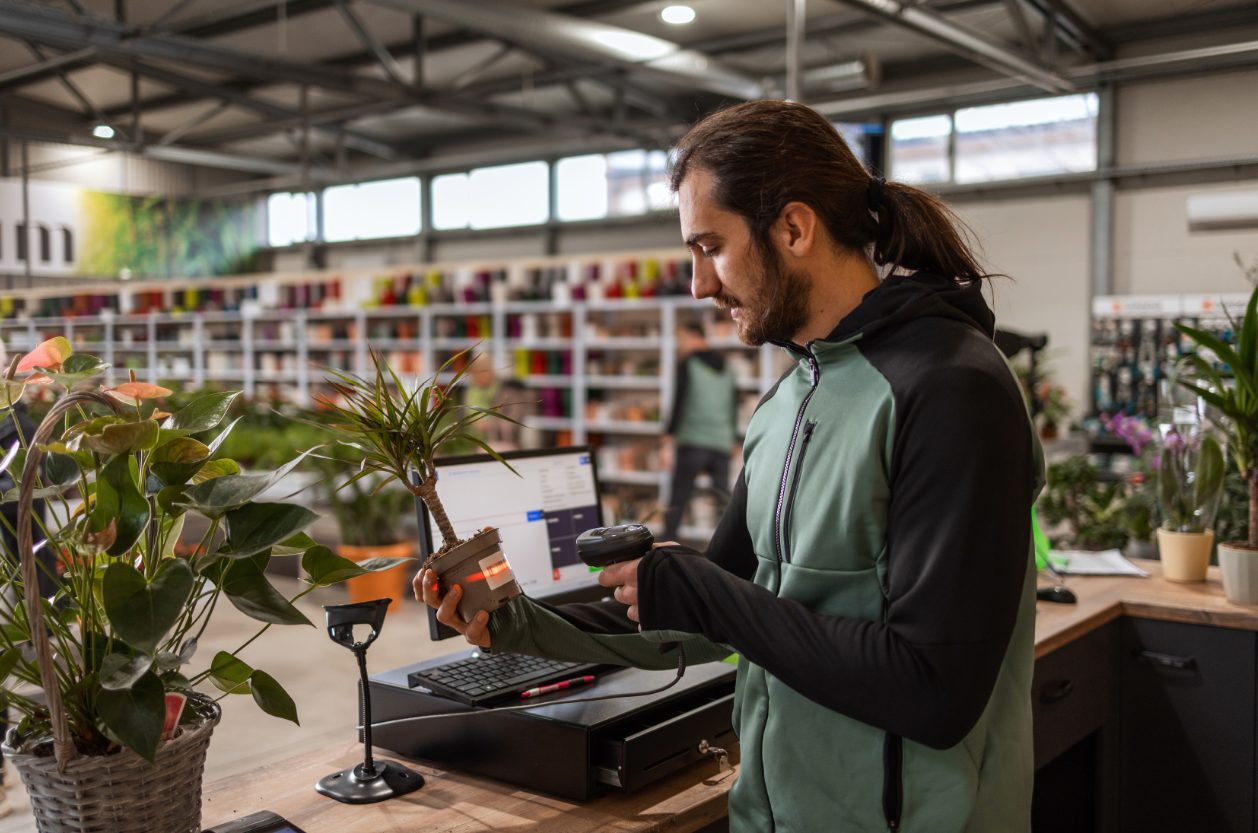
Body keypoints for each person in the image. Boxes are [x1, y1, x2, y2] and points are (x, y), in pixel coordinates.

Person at [419, 100, 1042, 832]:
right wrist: (517, 623)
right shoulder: (788, 401)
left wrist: (708, 593)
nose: (698, 284)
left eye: (710, 247)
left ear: (794, 228)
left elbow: (935, 689)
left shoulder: (951, 388)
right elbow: (709, 623)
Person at [661, 321, 738, 540]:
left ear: (694, 336)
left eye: (682, 339)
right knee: (723, 501)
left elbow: (679, 401)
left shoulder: (687, 363)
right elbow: (732, 404)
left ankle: (665, 546)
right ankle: (730, 547)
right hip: (721, 441)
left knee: (678, 498)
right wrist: (732, 438)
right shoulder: (727, 365)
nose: (680, 344)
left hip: (693, 441)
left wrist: (667, 439)